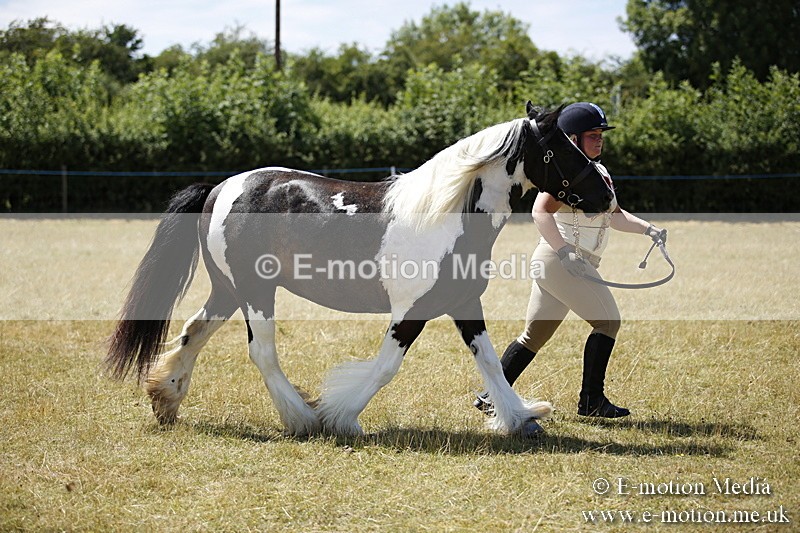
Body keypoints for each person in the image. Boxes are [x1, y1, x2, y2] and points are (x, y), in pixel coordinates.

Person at [475, 102, 666, 426]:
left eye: (600, 135)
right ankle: (591, 401)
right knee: (607, 322)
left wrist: (648, 229)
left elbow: (615, 216)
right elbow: (540, 211)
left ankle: (489, 396)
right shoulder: (571, 175)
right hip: (562, 261)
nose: (599, 140)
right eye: (592, 135)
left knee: (533, 336)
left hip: (561, 263)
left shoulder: (598, 172)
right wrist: (565, 252)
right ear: (573, 140)